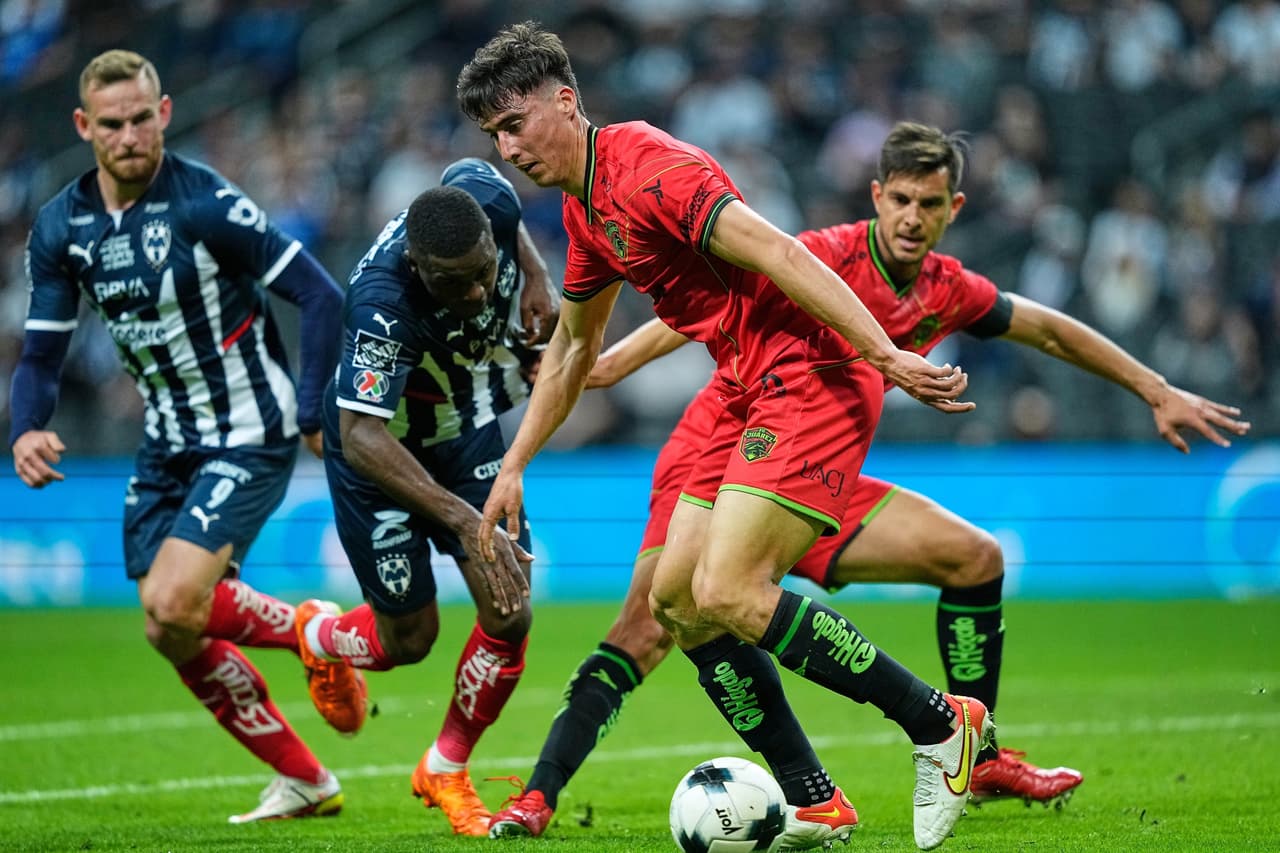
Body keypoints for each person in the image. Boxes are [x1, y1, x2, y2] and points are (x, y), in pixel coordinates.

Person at [486, 121, 1254, 838]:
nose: (913, 218)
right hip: (730, 440)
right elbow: (722, 291)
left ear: (953, 209)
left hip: (812, 460)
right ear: (877, 197)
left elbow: (1048, 325)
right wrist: (611, 364)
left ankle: (971, 753)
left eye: (930, 204)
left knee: (973, 559)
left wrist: (1155, 387)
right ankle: (815, 774)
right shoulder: (826, 254)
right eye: (901, 200)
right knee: (670, 612)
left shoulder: (946, 288)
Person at [459, 24, 993, 852]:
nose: (506, 145)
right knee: (678, 601)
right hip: (743, 380)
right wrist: (515, 462)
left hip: (806, 368)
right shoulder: (586, 207)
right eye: (493, 133)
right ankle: (816, 800)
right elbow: (572, 348)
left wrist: (884, 353)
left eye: (515, 122)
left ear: (565, 102)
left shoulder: (653, 170)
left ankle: (938, 722)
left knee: (733, 592)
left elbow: (779, 250)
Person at [9, 50, 367, 823]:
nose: (131, 135)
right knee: (168, 627)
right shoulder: (61, 226)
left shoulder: (205, 203)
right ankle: (307, 778)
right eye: (113, 123)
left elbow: (320, 293)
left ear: (164, 112)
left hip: (249, 428)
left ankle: (311, 628)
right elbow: (41, 351)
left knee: (177, 597)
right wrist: (27, 427)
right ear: (83, 127)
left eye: (143, 118)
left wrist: (312, 409)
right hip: (166, 441)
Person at [291, 157, 559, 837]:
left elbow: (484, 179)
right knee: (410, 639)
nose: (474, 293)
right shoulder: (382, 304)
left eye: (483, 270)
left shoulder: (483, 205)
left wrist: (531, 270)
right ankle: (319, 635)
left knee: (510, 609)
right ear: (416, 264)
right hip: (379, 456)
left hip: (463, 432)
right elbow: (360, 433)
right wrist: (461, 514)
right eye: (452, 282)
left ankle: (445, 764)